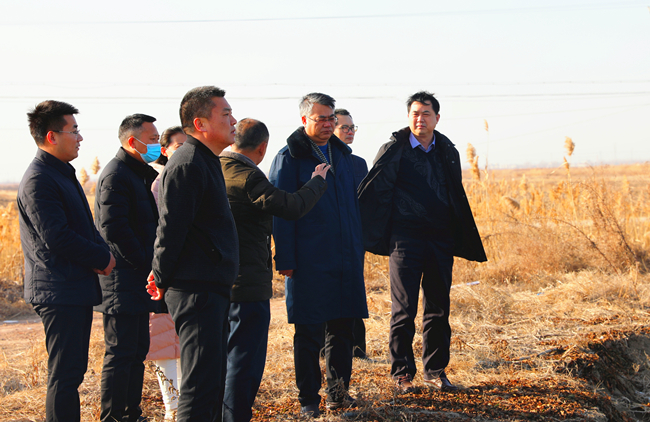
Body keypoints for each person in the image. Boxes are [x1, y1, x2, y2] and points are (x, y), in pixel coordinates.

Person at [358, 91, 487, 393]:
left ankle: (436, 372)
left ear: (436, 118)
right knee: (404, 310)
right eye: (415, 114)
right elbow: (375, 192)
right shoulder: (394, 149)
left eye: (426, 114)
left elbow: (454, 194)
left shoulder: (447, 150)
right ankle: (402, 374)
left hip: (440, 240)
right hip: (404, 240)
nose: (420, 119)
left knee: (439, 308)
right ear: (408, 117)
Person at [220, 118, 329, 422]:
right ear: (263, 147)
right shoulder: (246, 176)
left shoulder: (213, 168)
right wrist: (317, 181)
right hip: (246, 283)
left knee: (220, 357)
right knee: (244, 359)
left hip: (215, 283)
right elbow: (290, 206)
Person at [269, 93, 368, 418]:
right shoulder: (289, 158)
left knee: (342, 329)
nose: (327, 124)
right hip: (308, 260)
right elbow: (281, 211)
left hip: (345, 257)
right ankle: (309, 399)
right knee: (309, 333)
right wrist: (286, 258)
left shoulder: (343, 156)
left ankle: (338, 394)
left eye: (331, 118)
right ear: (304, 120)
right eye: (320, 118)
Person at [18, 100, 116, 422]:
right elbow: (56, 236)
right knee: (65, 374)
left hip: (71, 286)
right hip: (58, 289)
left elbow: (84, 227)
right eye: (73, 131)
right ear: (51, 136)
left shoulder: (60, 173)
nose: (80, 137)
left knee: (71, 371)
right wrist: (100, 257)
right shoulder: (40, 179)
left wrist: (104, 251)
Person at [147, 86, 239, 422]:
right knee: (199, 389)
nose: (234, 120)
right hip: (196, 289)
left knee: (211, 383)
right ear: (200, 124)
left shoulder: (205, 160)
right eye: (225, 114)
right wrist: (160, 275)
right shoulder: (187, 163)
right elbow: (171, 228)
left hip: (209, 285)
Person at [94, 113, 162, 422]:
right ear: (133, 142)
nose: (157, 144)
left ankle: (132, 413)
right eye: (152, 139)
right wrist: (147, 264)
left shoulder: (139, 173)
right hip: (122, 279)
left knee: (137, 351)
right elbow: (115, 229)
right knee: (120, 353)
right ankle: (112, 416)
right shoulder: (116, 175)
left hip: (137, 278)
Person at [147, 126, 186, 421]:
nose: (184, 150)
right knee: (164, 343)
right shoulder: (160, 183)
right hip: (165, 272)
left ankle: (183, 403)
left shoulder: (185, 177)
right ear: (164, 150)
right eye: (178, 146)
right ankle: (173, 405)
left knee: (184, 344)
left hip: (182, 273)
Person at [333, 108, 370, 360]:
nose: (350, 132)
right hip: (328, 238)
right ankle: (327, 348)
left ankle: (357, 348)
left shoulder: (359, 163)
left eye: (352, 127)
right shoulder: (322, 161)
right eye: (344, 127)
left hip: (355, 239)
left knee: (355, 290)